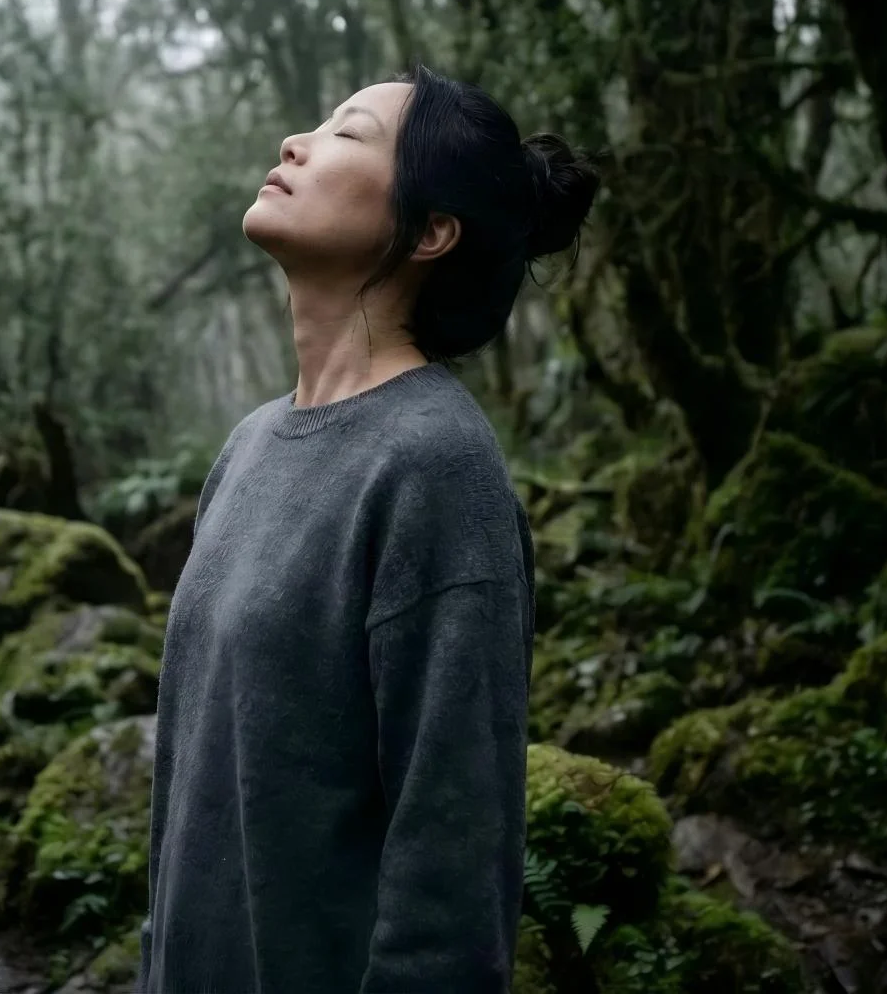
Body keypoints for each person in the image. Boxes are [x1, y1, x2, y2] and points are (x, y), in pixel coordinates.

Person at [137, 66, 602, 992]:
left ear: (431, 232)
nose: (294, 144)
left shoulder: (436, 467)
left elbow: (454, 860)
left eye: (347, 134)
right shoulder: (249, 448)